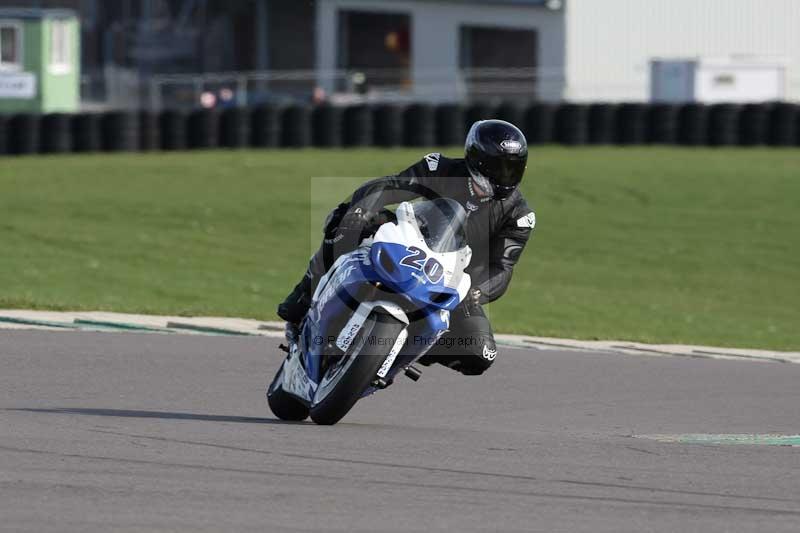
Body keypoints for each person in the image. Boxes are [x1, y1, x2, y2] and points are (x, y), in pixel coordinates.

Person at [278, 119, 536, 375]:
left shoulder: (519, 215)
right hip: (409, 242)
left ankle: (407, 349)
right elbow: (392, 186)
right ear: (477, 159)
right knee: (344, 219)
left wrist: (477, 291)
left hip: (452, 281)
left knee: (481, 354)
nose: (505, 176)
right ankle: (303, 299)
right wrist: (361, 210)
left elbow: (502, 268)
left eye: (512, 168)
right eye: (498, 167)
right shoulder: (441, 167)